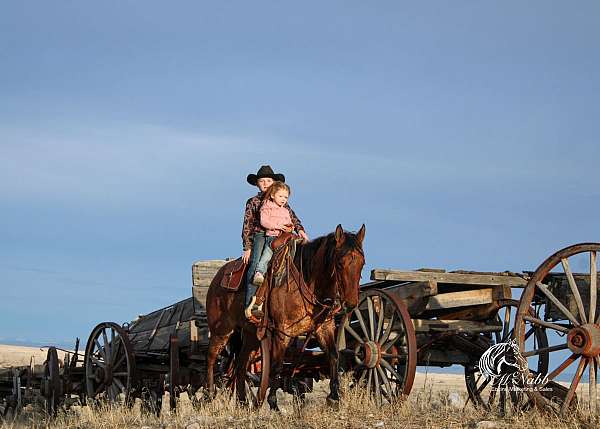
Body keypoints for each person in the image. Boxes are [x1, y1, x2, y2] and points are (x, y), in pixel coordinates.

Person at [242, 165, 308, 318]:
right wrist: (247, 246)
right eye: (262, 181)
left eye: (268, 180)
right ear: (257, 184)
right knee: (256, 264)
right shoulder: (254, 201)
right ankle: (249, 305)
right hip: (260, 235)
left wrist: (300, 229)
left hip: (281, 236)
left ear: (274, 183)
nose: (265, 183)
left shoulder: (282, 201)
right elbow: (247, 224)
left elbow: (292, 217)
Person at [252, 181, 293, 286]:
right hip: (273, 237)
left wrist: (290, 227)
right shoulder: (266, 207)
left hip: (285, 237)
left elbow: (290, 221)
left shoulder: (285, 211)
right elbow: (264, 222)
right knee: (267, 254)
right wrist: (278, 226)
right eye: (280, 196)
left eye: (286, 197)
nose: (283, 199)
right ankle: (259, 272)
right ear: (272, 195)